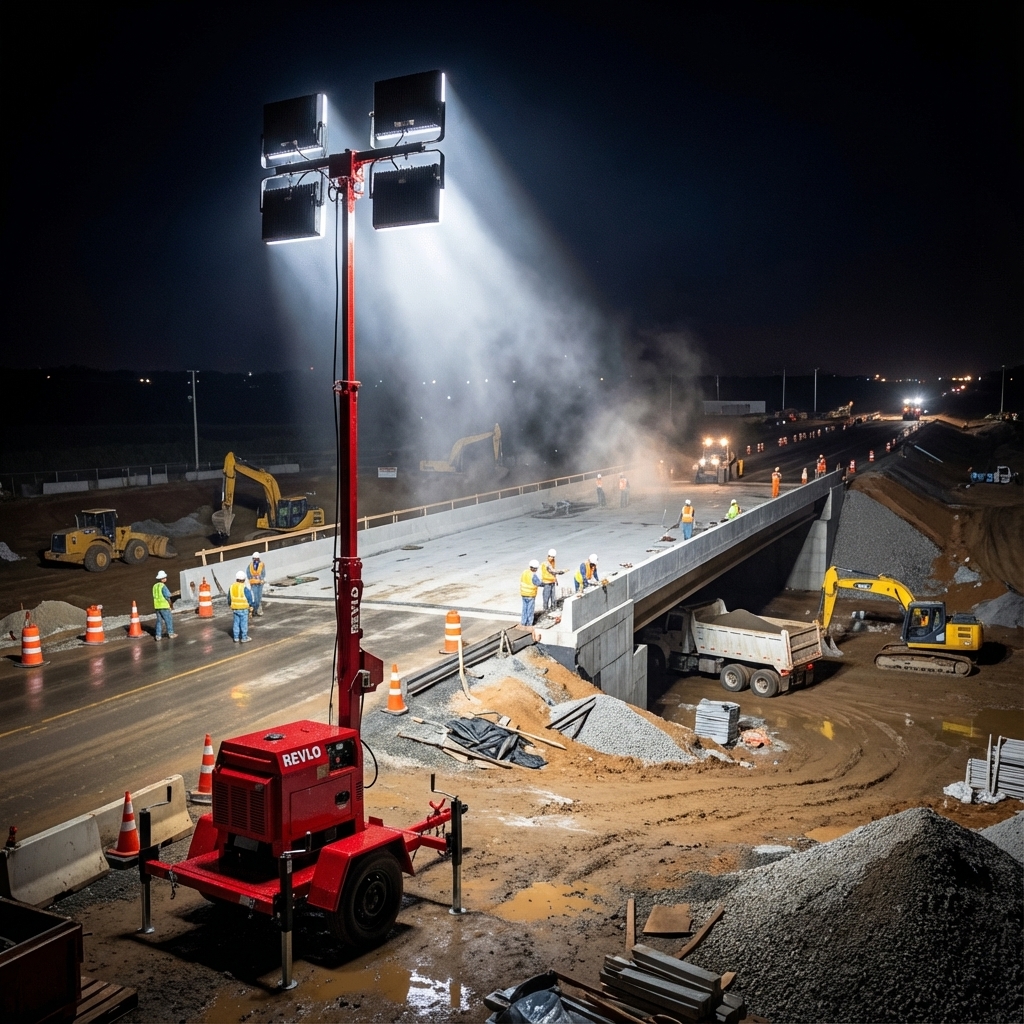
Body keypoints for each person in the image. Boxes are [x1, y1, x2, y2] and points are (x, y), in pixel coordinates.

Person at [229, 570, 254, 643]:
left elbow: (229, 598)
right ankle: (244, 638)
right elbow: (249, 598)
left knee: (236, 623)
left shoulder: (232, 587)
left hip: (235, 609)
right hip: (243, 609)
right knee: (244, 624)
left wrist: (230, 604)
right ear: (244, 579)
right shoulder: (244, 588)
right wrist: (251, 605)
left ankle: (236, 637)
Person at [152, 569, 176, 640]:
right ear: (162, 579)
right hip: (164, 606)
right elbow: (167, 596)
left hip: (157, 606)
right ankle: (171, 633)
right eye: (164, 578)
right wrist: (170, 604)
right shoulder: (163, 586)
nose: (165, 579)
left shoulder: (154, 586)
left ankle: (158, 635)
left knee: (159, 621)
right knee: (168, 620)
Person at [520, 559, 542, 626]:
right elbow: (538, 583)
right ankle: (529, 623)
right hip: (530, 595)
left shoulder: (524, 572)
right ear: (535, 568)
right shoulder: (533, 575)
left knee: (524, 609)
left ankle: (523, 622)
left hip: (523, 594)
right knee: (530, 610)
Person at [540, 549, 561, 613]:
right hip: (547, 583)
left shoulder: (553, 562)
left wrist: (555, 579)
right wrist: (560, 572)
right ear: (548, 556)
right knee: (546, 597)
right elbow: (550, 572)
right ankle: (545, 610)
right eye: (552, 557)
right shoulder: (545, 564)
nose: (553, 558)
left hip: (552, 582)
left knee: (553, 597)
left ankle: (553, 608)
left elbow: (553, 572)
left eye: (553, 557)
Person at [247, 552, 267, 616]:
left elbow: (263, 573)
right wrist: (251, 579)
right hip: (253, 583)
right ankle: (254, 610)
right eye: (254, 558)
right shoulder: (250, 565)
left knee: (259, 598)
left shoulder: (261, 564)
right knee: (254, 598)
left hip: (259, 584)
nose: (255, 560)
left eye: (256, 558)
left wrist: (262, 579)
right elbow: (248, 573)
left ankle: (258, 610)